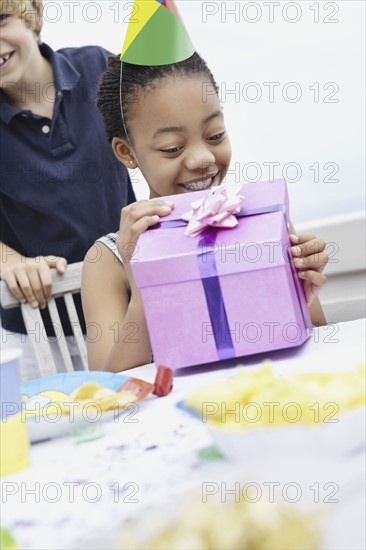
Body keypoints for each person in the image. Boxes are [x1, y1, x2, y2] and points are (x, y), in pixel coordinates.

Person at [81, 53, 328, 373]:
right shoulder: (110, 259)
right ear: (127, 152)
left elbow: (318, 342)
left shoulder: (261, 222)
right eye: (172, 147)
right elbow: (106, 387)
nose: (202, 158)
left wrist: (301, 294)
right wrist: (143, 288)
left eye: (215, 135)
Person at [0, 0, 135, 381]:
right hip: (34, 335)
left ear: (34, 16)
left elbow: (160, 141)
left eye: (1, 19)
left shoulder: (99, 68)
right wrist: (11, 262)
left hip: (128, 312)